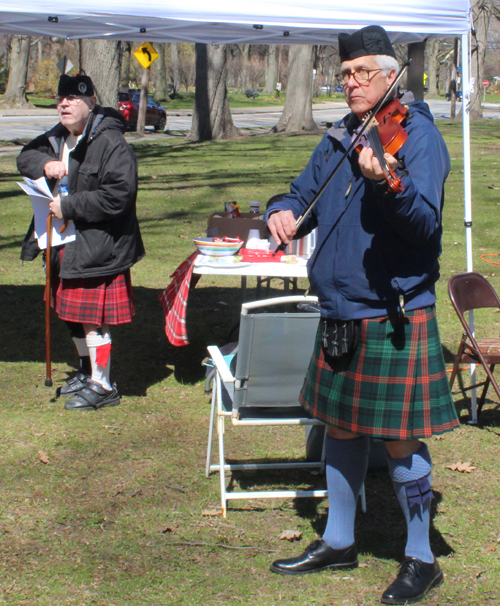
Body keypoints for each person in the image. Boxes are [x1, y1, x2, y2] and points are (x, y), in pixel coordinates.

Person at [265, 26, 459, 605]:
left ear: (390, 75)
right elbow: (300, 193)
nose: (349, 83)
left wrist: (387, 183)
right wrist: (282, 210)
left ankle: (422, 559)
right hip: (341, 307)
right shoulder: (341, 133)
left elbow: (424, 224)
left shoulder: (418, 136)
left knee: (400, 439)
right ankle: (340, 539)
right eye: (344, 73)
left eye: (360, 74)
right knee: (341, 426)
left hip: (391, 311)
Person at [17, 74, 145, 411]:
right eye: (61, 98)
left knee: (93, 319)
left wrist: (70, 206)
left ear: (91, 103)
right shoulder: (57, 137)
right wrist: (45, 163)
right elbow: (25, 158)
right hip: (63, 245)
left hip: (98, 247)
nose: (64, 103)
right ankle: (87, 372)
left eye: (73, 98)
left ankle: (103, 385)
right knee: (71, 314)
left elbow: (119, 196)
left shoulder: (110, 143)